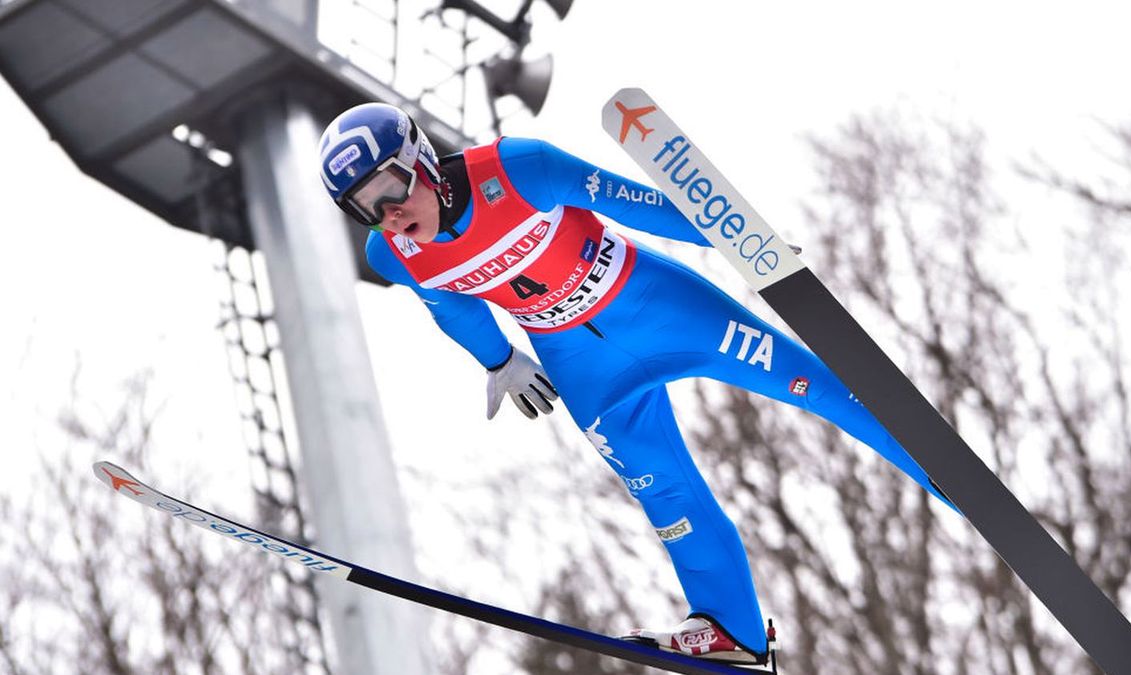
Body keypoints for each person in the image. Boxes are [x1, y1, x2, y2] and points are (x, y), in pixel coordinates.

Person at [317, 102, 956, 664]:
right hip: (587, 372)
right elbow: (449, 302)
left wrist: (730, 233)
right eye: (365, 210)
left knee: (812, 386)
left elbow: (635, 202)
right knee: (664, 493)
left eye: (389, 190)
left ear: (420, 159)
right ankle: (731, 627)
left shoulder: (518, 168)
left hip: (664, 312)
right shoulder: (392, 254)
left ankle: (948, 477)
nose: (390, 216)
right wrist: (497, 360)